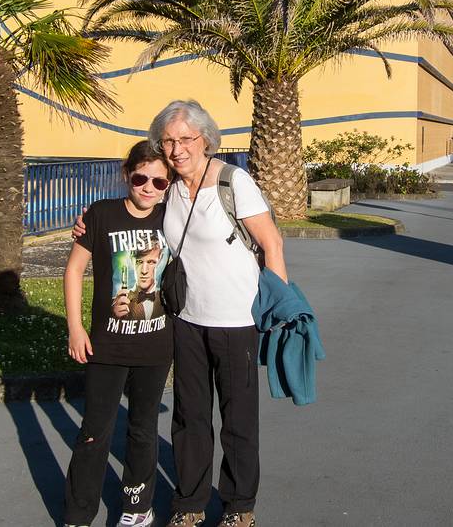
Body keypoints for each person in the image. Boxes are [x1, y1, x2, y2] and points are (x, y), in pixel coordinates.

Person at [75, 100, 287, 527]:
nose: (176, 149)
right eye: (168, 140)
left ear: (205, 139)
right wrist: (88, 223)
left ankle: (239, 507)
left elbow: (272, 245)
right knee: (190, 420)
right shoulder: (170, 188)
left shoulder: (233, 182)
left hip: (236, 322)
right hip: (186, 321)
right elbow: (137, 203)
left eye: (185, 139)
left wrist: (275, 311)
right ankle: (189, 505)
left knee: (237, 420)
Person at [63, 140, 173, 527]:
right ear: (127, 175)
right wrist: (75, 328)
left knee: (143, 430)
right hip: (106, 345)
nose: (149, 188)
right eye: (141, 177)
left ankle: (137, 507)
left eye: (160, 182)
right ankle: (79, 514)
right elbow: (74, 269)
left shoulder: (174, 217)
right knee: (94, 432)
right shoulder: (101, 214)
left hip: (156, 347)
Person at [112, 237, 166, 321]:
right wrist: (114, 314)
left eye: (151, 262)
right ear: (131, 260)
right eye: (139, 262)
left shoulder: (164, 299)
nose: (144, 271)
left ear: (160, 259)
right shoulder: (121, 302)